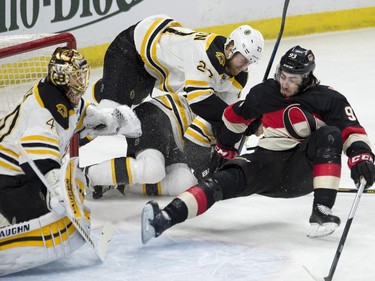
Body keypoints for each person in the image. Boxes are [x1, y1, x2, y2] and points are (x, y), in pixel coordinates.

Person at [141, 45, 375, 244]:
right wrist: (226, 147)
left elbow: (351, 132)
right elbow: (233, 118)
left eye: (293, 80)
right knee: (218, 182)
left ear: (307, 78)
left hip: (301, 170)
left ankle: (322, 212)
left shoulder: (328, 98)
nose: (285, 84)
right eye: (283, 76)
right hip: (266, 164)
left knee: (330, 134)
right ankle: (163, 219)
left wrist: (361, 157)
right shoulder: (265, 93)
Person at [0, 47, 132, 276]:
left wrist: (115, 120)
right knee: (43, 223)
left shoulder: (66, 99)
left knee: (55, 218)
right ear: (60, 76)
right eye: (74, 76)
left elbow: (87, 119)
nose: (80, 81)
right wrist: (56, 189)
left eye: (81, 75)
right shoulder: (45, 109)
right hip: (7, 176)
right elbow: (37, 159)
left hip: (20, 174)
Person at [92, 14, 264, 141]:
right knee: (111, 118)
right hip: (133, 48)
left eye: (250, 63)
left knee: (128, 100)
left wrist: (245, 123)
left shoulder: (240, 76)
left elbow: (225, 112)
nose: (244, 67)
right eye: (243, 60)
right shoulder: (206, 54)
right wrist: (244, 121)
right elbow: (200, 103)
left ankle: (106, 88)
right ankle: (70, 135)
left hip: (154, 72)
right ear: (230, 48)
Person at [84, 92, 198, 198]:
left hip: (178, 143)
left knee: (185, 182)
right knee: (153, 169)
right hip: (160, 114)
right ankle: (86, 174)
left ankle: (119, 182)